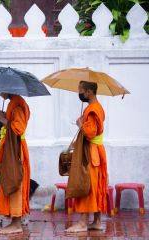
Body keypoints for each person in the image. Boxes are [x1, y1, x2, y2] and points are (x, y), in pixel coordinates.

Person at [65, 81, 108, 233]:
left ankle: (83, 222)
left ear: (89, 92)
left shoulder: (94, 109)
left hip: (91, 153)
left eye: (81, 91)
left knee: (86, 184)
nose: (80, 94)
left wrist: (80, 124)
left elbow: (90, 133)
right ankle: (96, 221)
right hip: (95, 151)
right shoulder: (95, 107)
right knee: (94, 186)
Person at [0, 93, 30, 234]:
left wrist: (3, 120)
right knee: (10, 180)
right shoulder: (14, 103)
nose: (0, 92)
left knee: (15, 181)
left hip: (15, 148)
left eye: (1, 89)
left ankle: (16, 224)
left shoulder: (17, 105)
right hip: (11, 146)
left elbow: (18, 128)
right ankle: (14, 221)